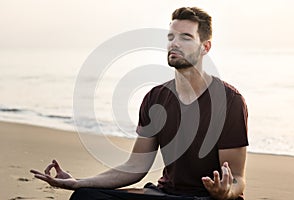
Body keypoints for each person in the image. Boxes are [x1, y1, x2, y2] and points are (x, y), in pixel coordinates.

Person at [30, 7, 248, 200]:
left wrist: (225, 192)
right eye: (171, 36)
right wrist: (79, 182)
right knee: (85, 196)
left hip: (204, 198)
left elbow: (237, 179)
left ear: (205, 47)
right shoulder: (156, 97)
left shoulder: (229, 101)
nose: (175, 43)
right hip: (165, 194)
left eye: (186, 37)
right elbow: (136, 166)